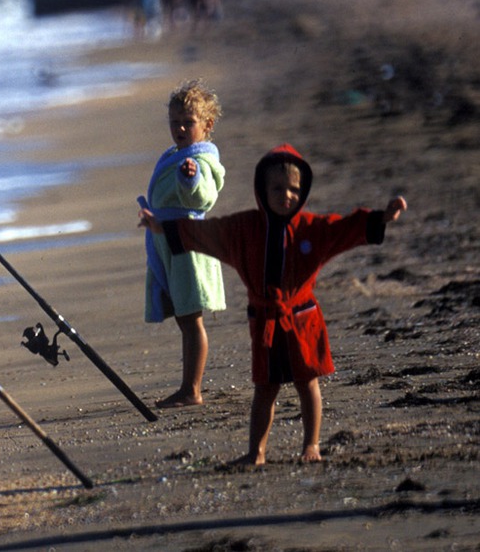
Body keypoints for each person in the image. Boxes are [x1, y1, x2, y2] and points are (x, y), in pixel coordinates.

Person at [139, 144, 408, 465]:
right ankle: (256, 452)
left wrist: (382, 218)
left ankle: (311, 445)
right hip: (264, 321)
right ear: (261, 191)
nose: (286, 196)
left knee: (307, 384)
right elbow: (205, 232)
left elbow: (345, 228)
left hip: (303, 319)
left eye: (294, 189)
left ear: (303, 191)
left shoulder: (312, 229)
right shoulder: (244, 229)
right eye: (277, 188)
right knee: (265, 389)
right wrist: (162, 227)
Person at [141, 80, 226, 409]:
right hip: (169, 240)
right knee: (182, 317)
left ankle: (192, 389)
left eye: (188, 122)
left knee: (191, 319)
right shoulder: (175, 155)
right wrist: (153, 219)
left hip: (189, 247)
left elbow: (203, 196)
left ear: (207, 125)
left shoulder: (200, 162)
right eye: (174, 122)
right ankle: (189, 385)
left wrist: (190, 178)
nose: (179, 128)